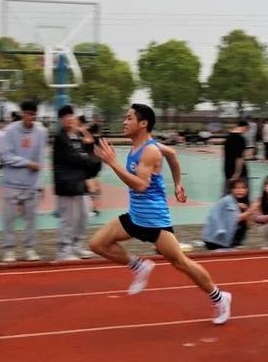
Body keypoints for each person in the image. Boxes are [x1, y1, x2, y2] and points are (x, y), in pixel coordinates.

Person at [89, 103, 231, 324]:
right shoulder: (148, 146)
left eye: (129, 118)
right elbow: (173, 154)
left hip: (155, 223)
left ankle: (220, 297)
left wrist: (112, 163)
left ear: (143, 123)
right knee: (97, 244)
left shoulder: (150, 150)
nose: (124, 122)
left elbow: (140, 186)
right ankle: (139, 266)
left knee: (181, 263)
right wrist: (178, 183)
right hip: (135, 217)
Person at [0, 101, 48, 262]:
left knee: (31, 218)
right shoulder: (10, 131)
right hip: (11, 183)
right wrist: (27, 163)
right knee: (9, 218)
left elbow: (40, 158)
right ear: (22, 114)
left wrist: (38, 183)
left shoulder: (41, 132)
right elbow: (6, 157)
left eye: (33, 114)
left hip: (30, 184)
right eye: (27, 113)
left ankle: (29, 248)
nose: (30, 117)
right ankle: (9, 249)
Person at [52, 105, 101, 260]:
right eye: (65, 117)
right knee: (69, 219)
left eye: (71, 116)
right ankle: (64, 251)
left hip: (80, 184)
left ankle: (77, 246)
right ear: (61, 120)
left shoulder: (79, 138)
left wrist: (89, 147)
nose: (69, 119)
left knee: (84, 216)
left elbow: (90, 158)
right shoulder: (60, 138)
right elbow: (76, 159)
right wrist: (89, 159)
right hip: (66, 185)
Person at [202, 178, 254, 251]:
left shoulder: (242, 204)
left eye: (243, 188)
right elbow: (236, 218)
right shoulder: (228, 200)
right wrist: (251, 210)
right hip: (218, 242)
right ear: (231, 190)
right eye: (236, 188)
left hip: (230, 243)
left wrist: (246, 211)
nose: (240, 190)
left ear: (247, 190)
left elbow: (249, 225)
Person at [223, 120, 249, 196]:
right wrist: (237, 173)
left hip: (228, 168)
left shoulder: (228, 137)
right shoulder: (241, 139)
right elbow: (239, 157)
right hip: (238, 171)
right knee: (241, 194)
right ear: (245, 127)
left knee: (227, 192)